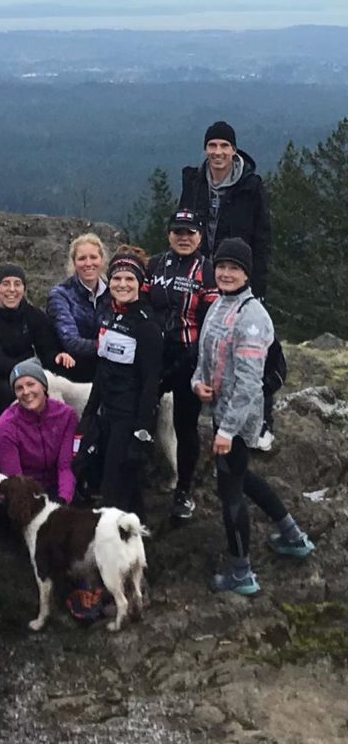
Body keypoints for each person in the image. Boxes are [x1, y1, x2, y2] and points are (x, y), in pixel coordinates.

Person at [192, 238, 314, 595]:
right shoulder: (218, 304)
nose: (227, 273)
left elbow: (250, 383)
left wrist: (227, 430)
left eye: (235, 268)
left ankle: (241, 573)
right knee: (241, 475)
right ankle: (291, 534)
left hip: (240, 421)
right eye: (222, 266)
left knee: (229, 489)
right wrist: (197, 383)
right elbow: (205, 358)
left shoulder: (253, 317)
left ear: (247, 273)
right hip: (221, 411)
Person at [180, 121, 276, 449]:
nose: (218, 152)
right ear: (205, 149)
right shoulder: (194, 181)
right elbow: (182, 225)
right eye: (212, 146)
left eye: (224, 146)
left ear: (234, 150)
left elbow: (262, 240)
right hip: (204, 272)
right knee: (207, 340)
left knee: (250, 352)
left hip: (238, 273)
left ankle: (261, 420)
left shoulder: (250, 186)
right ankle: (205, 401)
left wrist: (257, 287)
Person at [79, 246, 163, 521]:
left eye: (130, 279)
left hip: (128, 418)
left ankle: (118, 548)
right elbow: (102, 367)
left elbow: (152, 381)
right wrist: (90, 412)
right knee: (117, 485)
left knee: (114, 489)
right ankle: (137, 543)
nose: (122, 284)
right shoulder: (107, 314)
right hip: (105, 413)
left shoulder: (147, 324)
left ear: (140, 283)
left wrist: (141, 430)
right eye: (116, 278)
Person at [146, 209, 218, 519]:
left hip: (190, 358)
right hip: (155, 357)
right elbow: (142, 304)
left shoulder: (207, 269)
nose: (184, 237)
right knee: (138, 415)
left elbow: (213, 320)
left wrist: (195, 357)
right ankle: (133, 479)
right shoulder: (156, 264)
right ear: (169, 234)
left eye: (190, 232)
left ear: (200, 236)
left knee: (185, 427)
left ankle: (184, 490)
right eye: (178, 231)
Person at [0, 264, 72, 420]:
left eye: (17, 284)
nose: (12, 289)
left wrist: (58, 357)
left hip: (30, 376)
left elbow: (47, 349)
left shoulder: (33, 315)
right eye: (6, 284)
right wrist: (28, 374)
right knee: (15, 393)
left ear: (24, 288)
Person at [0, 358, 78, 513]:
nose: (26, 392)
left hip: (52, 485)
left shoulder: (66, 415)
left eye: (31, 384)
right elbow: (16, 478)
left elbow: (65, 465)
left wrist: (62, 501)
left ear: (43, 385)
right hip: (17, 489)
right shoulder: (6, 425)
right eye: (19, 388)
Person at [46, 233, 110, 383]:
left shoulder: (112, 292)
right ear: (74, 263)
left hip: (107, 370)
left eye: (93, 257)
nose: (88, 263)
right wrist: (112, 346)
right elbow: (71, 342)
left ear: (102, 260)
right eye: (82, 258)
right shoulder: (60, 295)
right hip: (72, 374)